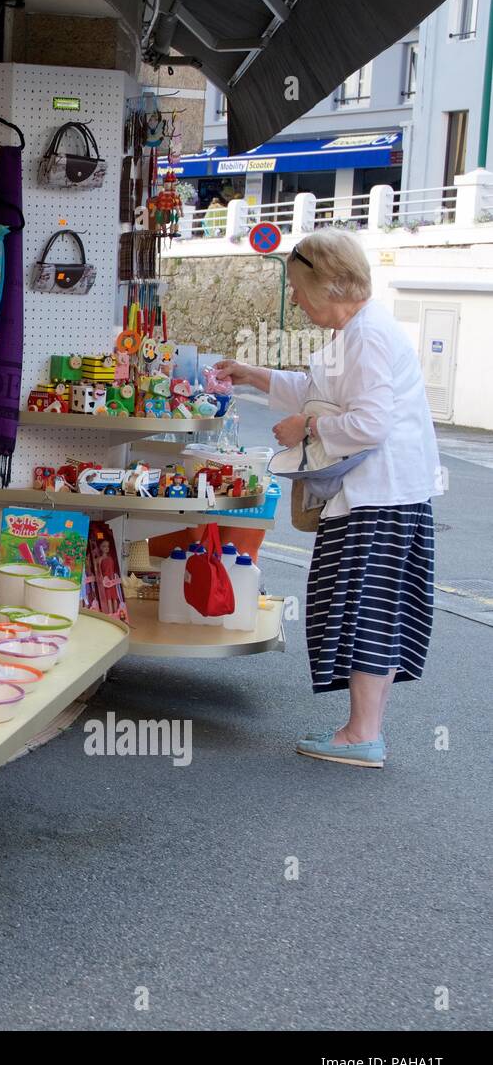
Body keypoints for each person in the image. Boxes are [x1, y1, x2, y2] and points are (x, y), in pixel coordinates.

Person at [216, 228, 440, 769]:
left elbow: (368, 421)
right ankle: (363, 729)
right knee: (376, 609)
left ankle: (363, 734)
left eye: (297, 287)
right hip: (389, 495)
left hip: (377, 497)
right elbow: (323, 390)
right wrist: (252, 376)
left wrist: (306, 428)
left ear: (329, 283)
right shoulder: (361, 332)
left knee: (364, 609)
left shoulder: (366, 337)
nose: (294, 298)